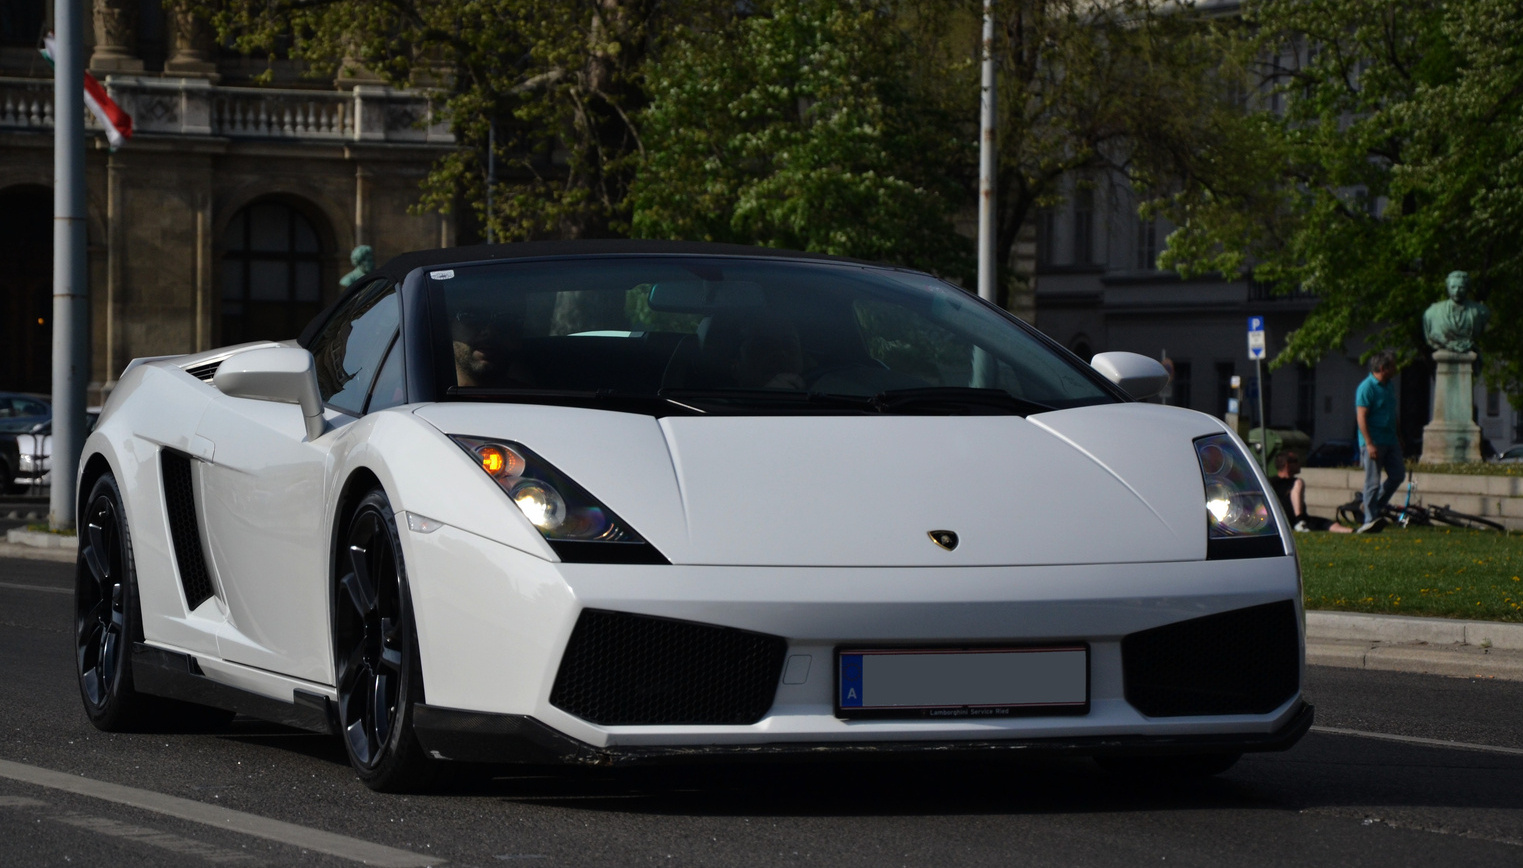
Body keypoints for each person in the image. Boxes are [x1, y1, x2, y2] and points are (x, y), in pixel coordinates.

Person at [1355, 349, 1402, 532]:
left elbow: (1392, 412)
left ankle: (1370, 507)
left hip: (1390, 440)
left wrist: (1399, 436)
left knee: (1398, 475)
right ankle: (1369, 518)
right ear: (1383, 368)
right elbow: (1361, 417)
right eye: (1392, 366)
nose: (1395, 369)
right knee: (1372, 482)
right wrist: (1369, 443)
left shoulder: (1389, 385)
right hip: (1374, 442)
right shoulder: (1367, 387)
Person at [1269, 451, 1351, 533]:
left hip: (1299, 520)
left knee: (1327, 523)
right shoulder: (1274, 483)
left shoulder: (1272, 482)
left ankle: (1353, 531)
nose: (1299, 464)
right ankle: (1299, 521)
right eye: (1296, 461)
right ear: (1287, 464)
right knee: (1299, 482)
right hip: (1286, 519)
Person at [452, 307, 534, 388]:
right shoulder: (439, 396)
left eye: (506, 321)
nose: (489, 331)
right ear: (448, 327)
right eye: (472, 318)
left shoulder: (532, 398)